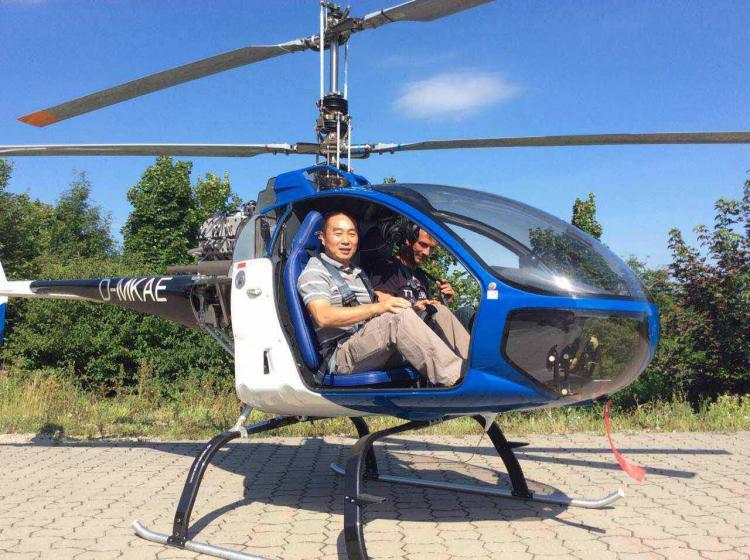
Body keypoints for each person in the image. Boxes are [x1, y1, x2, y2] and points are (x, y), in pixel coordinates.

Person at [296, 211, 465, 386]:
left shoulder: (356, 272)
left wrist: (414, 309)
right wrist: (377, 308)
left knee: (437, 312)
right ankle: (457, 384)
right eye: (338, 233)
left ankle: (474, 373)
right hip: (341, 354)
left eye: (351, 234)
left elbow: (375, 316)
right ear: (322, 238)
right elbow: (323, 316)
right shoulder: (315, 272)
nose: (346, 240)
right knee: (397, 320)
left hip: (369, 344)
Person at [368, 224, 474, 344]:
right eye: (423, 245)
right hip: (405, 331)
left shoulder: (421, 276)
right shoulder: (387, 268)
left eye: (432, 248)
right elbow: (383, 307)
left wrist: (442, 301)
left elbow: (428, 310)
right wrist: (413, 308)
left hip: (425, 327)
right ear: (408, 240)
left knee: (467, 313)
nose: (427, 253)